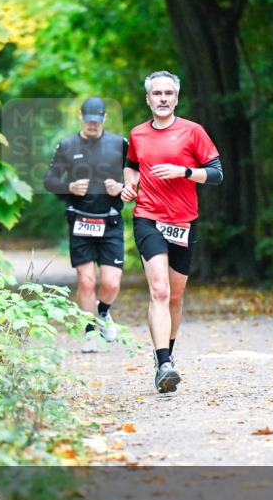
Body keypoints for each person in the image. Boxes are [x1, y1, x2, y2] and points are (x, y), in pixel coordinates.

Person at [121, 71, 223, 392]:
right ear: (148, 99)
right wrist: (129, 184)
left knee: (176, 297)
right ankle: (163, 361)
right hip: (148, 218)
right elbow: (132, 164)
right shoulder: (137, 134)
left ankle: (167, 360)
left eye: (168, 93)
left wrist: (185, 171)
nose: (162, 98)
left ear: (176, 98)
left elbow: (217, 174)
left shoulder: (193, 132)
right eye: (157, 93)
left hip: (183, 222)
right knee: (160, 291)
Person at [44, 97, 128, 353]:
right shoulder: (68, 145)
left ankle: (103, 313)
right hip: (80, 220)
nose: (93, 125)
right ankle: (91, 332)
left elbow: (137, 177)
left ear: (104, 118)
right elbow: (49, 180)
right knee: (86, 280)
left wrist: (122, 187)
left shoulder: (119, 144)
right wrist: (68, 187)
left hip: (110, 220)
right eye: (89, 120)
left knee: (111, 283)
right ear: (81, 117)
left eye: (97, 120)